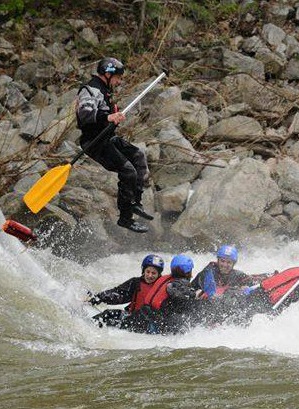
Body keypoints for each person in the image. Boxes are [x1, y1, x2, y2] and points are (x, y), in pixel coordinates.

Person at [76, 57, 154, 233]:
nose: (119, 82)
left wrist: (114, 115)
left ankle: (135, 203)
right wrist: (108, 117)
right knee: (127, 171)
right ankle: (125, 219)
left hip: (107, 138)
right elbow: (85, 114)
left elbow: (106, 116)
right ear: (107, 74)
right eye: (118, 77)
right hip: (93, 141)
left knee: (138, 156)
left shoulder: (105, 91)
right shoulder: (91, 89)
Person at [87, 254, 164, 329]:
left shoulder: (162, 287)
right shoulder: (136, 282)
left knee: (109, 322)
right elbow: (119, 294)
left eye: (153, 273)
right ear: (143, 271)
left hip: (146, 324)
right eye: (148, 272)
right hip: (131, 317)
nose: (150, 275)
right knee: (107, 313)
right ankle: (87, 325)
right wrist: (98, 298)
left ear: (159, 274)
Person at [135, 254, 203, 334]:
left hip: (145, 314)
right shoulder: (177, 284)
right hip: (154, 323)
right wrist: (195, 295)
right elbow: (185, 296)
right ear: (188, 272)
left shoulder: (166, 278)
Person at [190, 245, 271, 299]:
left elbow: (253, 280)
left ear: (233, 264)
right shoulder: (208, 272)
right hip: (206, 305)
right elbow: (192, 288)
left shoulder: (236, 275)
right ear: (218, 260)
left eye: (229, 262)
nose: (225, 265)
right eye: (222, 261)